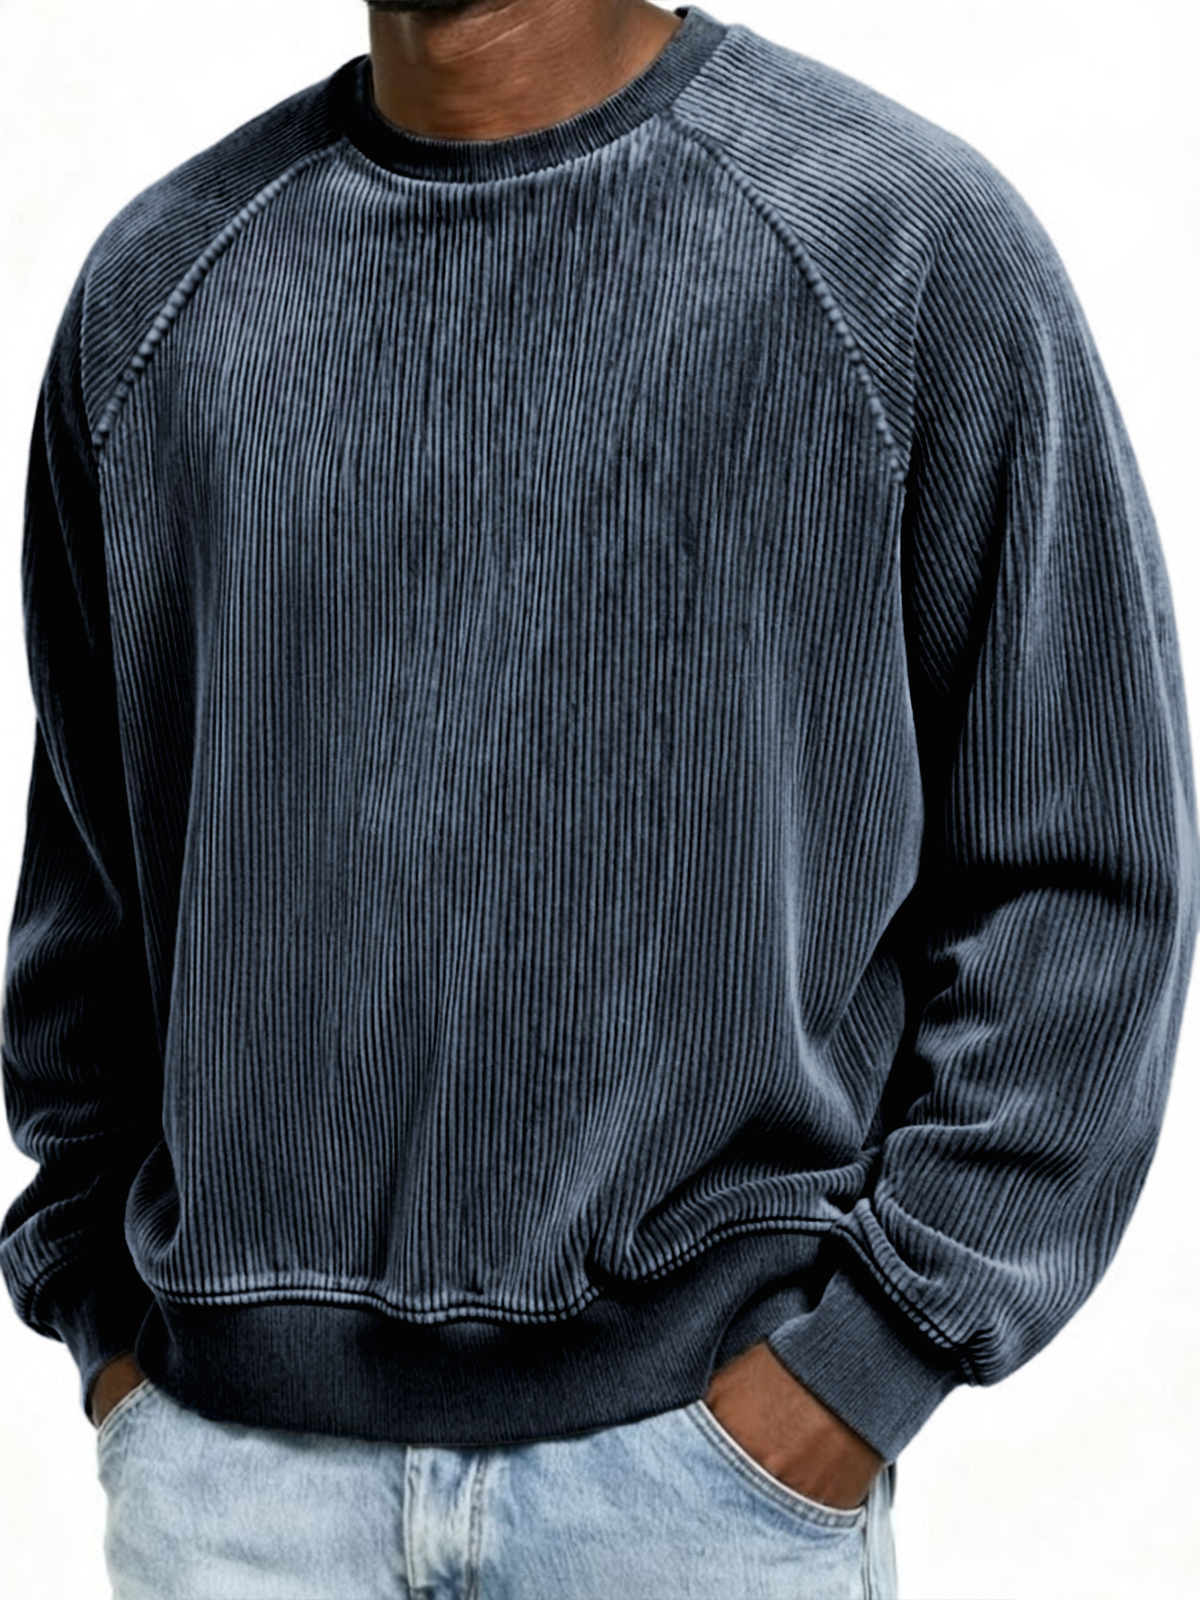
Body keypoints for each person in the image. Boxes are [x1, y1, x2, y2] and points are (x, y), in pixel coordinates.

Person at [1, 0, 1196, 1594]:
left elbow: (1086, 862)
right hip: (236, 1499)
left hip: (697, 1497)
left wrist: (870, 1361)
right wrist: (105, 1331)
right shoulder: (162, 292)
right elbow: (90, 905)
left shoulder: (898, 247)